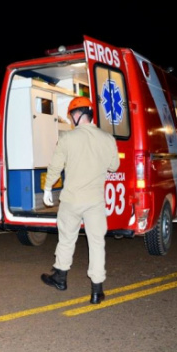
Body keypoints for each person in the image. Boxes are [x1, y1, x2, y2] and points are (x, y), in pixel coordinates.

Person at [40, 97, 120, 305]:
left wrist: (48, 187)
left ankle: (60, 278)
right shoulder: (107, 139)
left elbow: (55, 166)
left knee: (67, 239)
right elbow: (114, 166)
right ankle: (96, 291)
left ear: (78, 115)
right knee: (96, 243)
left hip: (71, 200)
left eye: (72, 115)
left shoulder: (68, 138)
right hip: (95, 201)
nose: (71, 118)